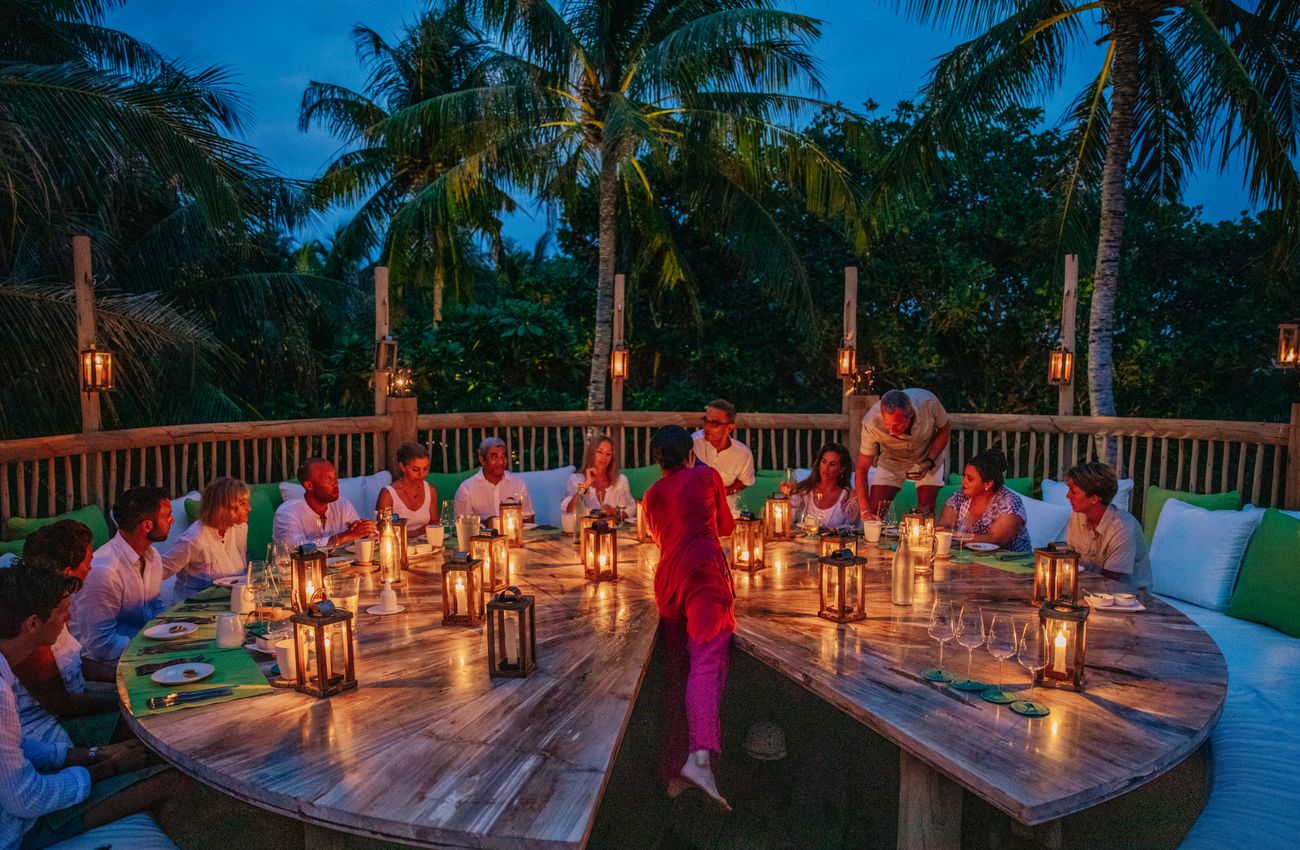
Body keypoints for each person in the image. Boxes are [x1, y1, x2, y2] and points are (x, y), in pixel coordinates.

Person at [0, 561, 187, 850]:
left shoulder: (5, 666)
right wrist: (107, 768)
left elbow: (15, 746)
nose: (69, 616)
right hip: (19, 832)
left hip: (22, 807)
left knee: (153, 757)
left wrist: (93, 754)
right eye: (63, 611)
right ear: (33, 623)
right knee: (176, 777)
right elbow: (25, 798)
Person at [642, 425, 736, 812]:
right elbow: (727, 527)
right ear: (690, 453)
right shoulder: (706, 475)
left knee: (677, 674)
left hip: (667, 585)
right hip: (702, 577)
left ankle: (674, 773)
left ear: (658, 460)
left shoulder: (650, 495)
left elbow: (658, 536)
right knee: (706, 662)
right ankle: (699, 760)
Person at [8, 523, 116, 749]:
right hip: (50, 728)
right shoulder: (34, 620)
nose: (91, 568)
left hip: (76, 699)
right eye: (88, 562)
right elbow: (60, 704)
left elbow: (73, 661)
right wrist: (124, 704)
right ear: (68, 571)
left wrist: (127, 673)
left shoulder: (54, 600)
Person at [70, 487, 172, 663]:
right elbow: (102, 645)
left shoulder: (152, 556)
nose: (172, 520)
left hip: (142, 651)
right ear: (147, 525)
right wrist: (153, 650)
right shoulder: (105, 571)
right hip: (105, 666)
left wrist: (171, 637)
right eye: (167, 515)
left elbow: (156, 608)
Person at [854, 388, 951, 518]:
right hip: (892, 459)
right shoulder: (871, 422)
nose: (892, 431)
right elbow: (862, 468)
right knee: (874, 513)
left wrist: (929, 461)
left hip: (927, 455)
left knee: (925, 512)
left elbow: (945, 430)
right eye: (887, 425)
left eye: (897, 425)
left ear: (910, 413)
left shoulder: (929, 402)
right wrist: (865, 511)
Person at [1064, 462, 1152, 590]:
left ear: (1094, 498)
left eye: (1073, 492)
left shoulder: (1122, 530)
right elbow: (1070, 561)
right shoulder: (1077, 516)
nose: (1068, 496)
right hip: (1089, 591)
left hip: (1126, 600)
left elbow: (1108, 584)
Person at [162, 477, 250, 600]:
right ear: (224, 508)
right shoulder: (194, 539)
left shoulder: (240, 528)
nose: (249, 508)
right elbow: (159, 572)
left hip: (230, 606)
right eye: (242, 504)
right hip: (194, 610)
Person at [938, 449, 1030, 551]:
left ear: (988, 484)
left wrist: (954, 534)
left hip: (1011, 561)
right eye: (964, 476)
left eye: (970, 478)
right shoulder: (960, 497)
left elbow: (994, 540)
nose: (963, 481)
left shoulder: (1009, 503)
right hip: (973, 559)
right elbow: (942, 526)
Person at [272, 458, 376, 550]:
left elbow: (356, 535)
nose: (336, 482)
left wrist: (363, 533)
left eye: (335, 476)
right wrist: (345, 536)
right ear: (309, 485)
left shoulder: (343, 506)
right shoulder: (287, 512)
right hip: (293, 571)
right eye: (328, 478)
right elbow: (296, 548)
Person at [780, 443, 860, 530]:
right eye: (824, 461)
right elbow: (785, 521)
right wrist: (785, 498)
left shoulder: (849, 497)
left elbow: (853, 532)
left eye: (832, 464)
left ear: (841, 469)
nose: (826, 468)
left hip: (834, 543)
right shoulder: (806, 491)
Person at [453, 438, 534, 523]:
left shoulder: (518, 484)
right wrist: (486, 523)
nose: (501, 461)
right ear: (482, 460)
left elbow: (529, 520)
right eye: (495, 456)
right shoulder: (467, 489)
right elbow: (461, 525)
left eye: (504, 456)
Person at [562, 436, 636, 519]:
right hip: (585, 530)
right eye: (600, 452)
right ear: (592, 453)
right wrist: (585, 486)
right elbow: (569, 511)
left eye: (608, 454)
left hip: (613, 530)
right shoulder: (575, 480)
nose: (604, 458)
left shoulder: (620, 481)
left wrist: (615, 512)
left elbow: (631, 508)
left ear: (612, 458)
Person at [692, 399, 754, 497]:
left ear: (729, 428)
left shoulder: (743, 454)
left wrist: (727, 491)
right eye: (705, 420)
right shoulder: (692, 444)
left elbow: (745, 481)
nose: (707, 427)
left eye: (714, 423)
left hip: (726, 508)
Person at [375, 442, 438, 536]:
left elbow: (434, 524)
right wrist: (416, 533)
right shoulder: (388, 494)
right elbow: (383, 532)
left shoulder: (430, 490)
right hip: (398, 547)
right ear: (402, 467)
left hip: (426, 547)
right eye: (415, 470)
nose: (422, 474)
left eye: (425, 469)